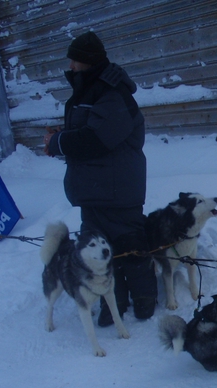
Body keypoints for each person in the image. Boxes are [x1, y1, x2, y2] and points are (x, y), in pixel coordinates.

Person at [44, 31, 157, 324]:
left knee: (131, 247)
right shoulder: (93, 89)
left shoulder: (112, 93)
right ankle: (113, 303)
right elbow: (87, 130)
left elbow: (96, 139)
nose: (70, 66)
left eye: (74, 60)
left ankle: (145, 300)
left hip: (118, 188)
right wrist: (62, 137)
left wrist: (58, 143)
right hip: (95, 188)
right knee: (99, 251)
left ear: (88, 62)